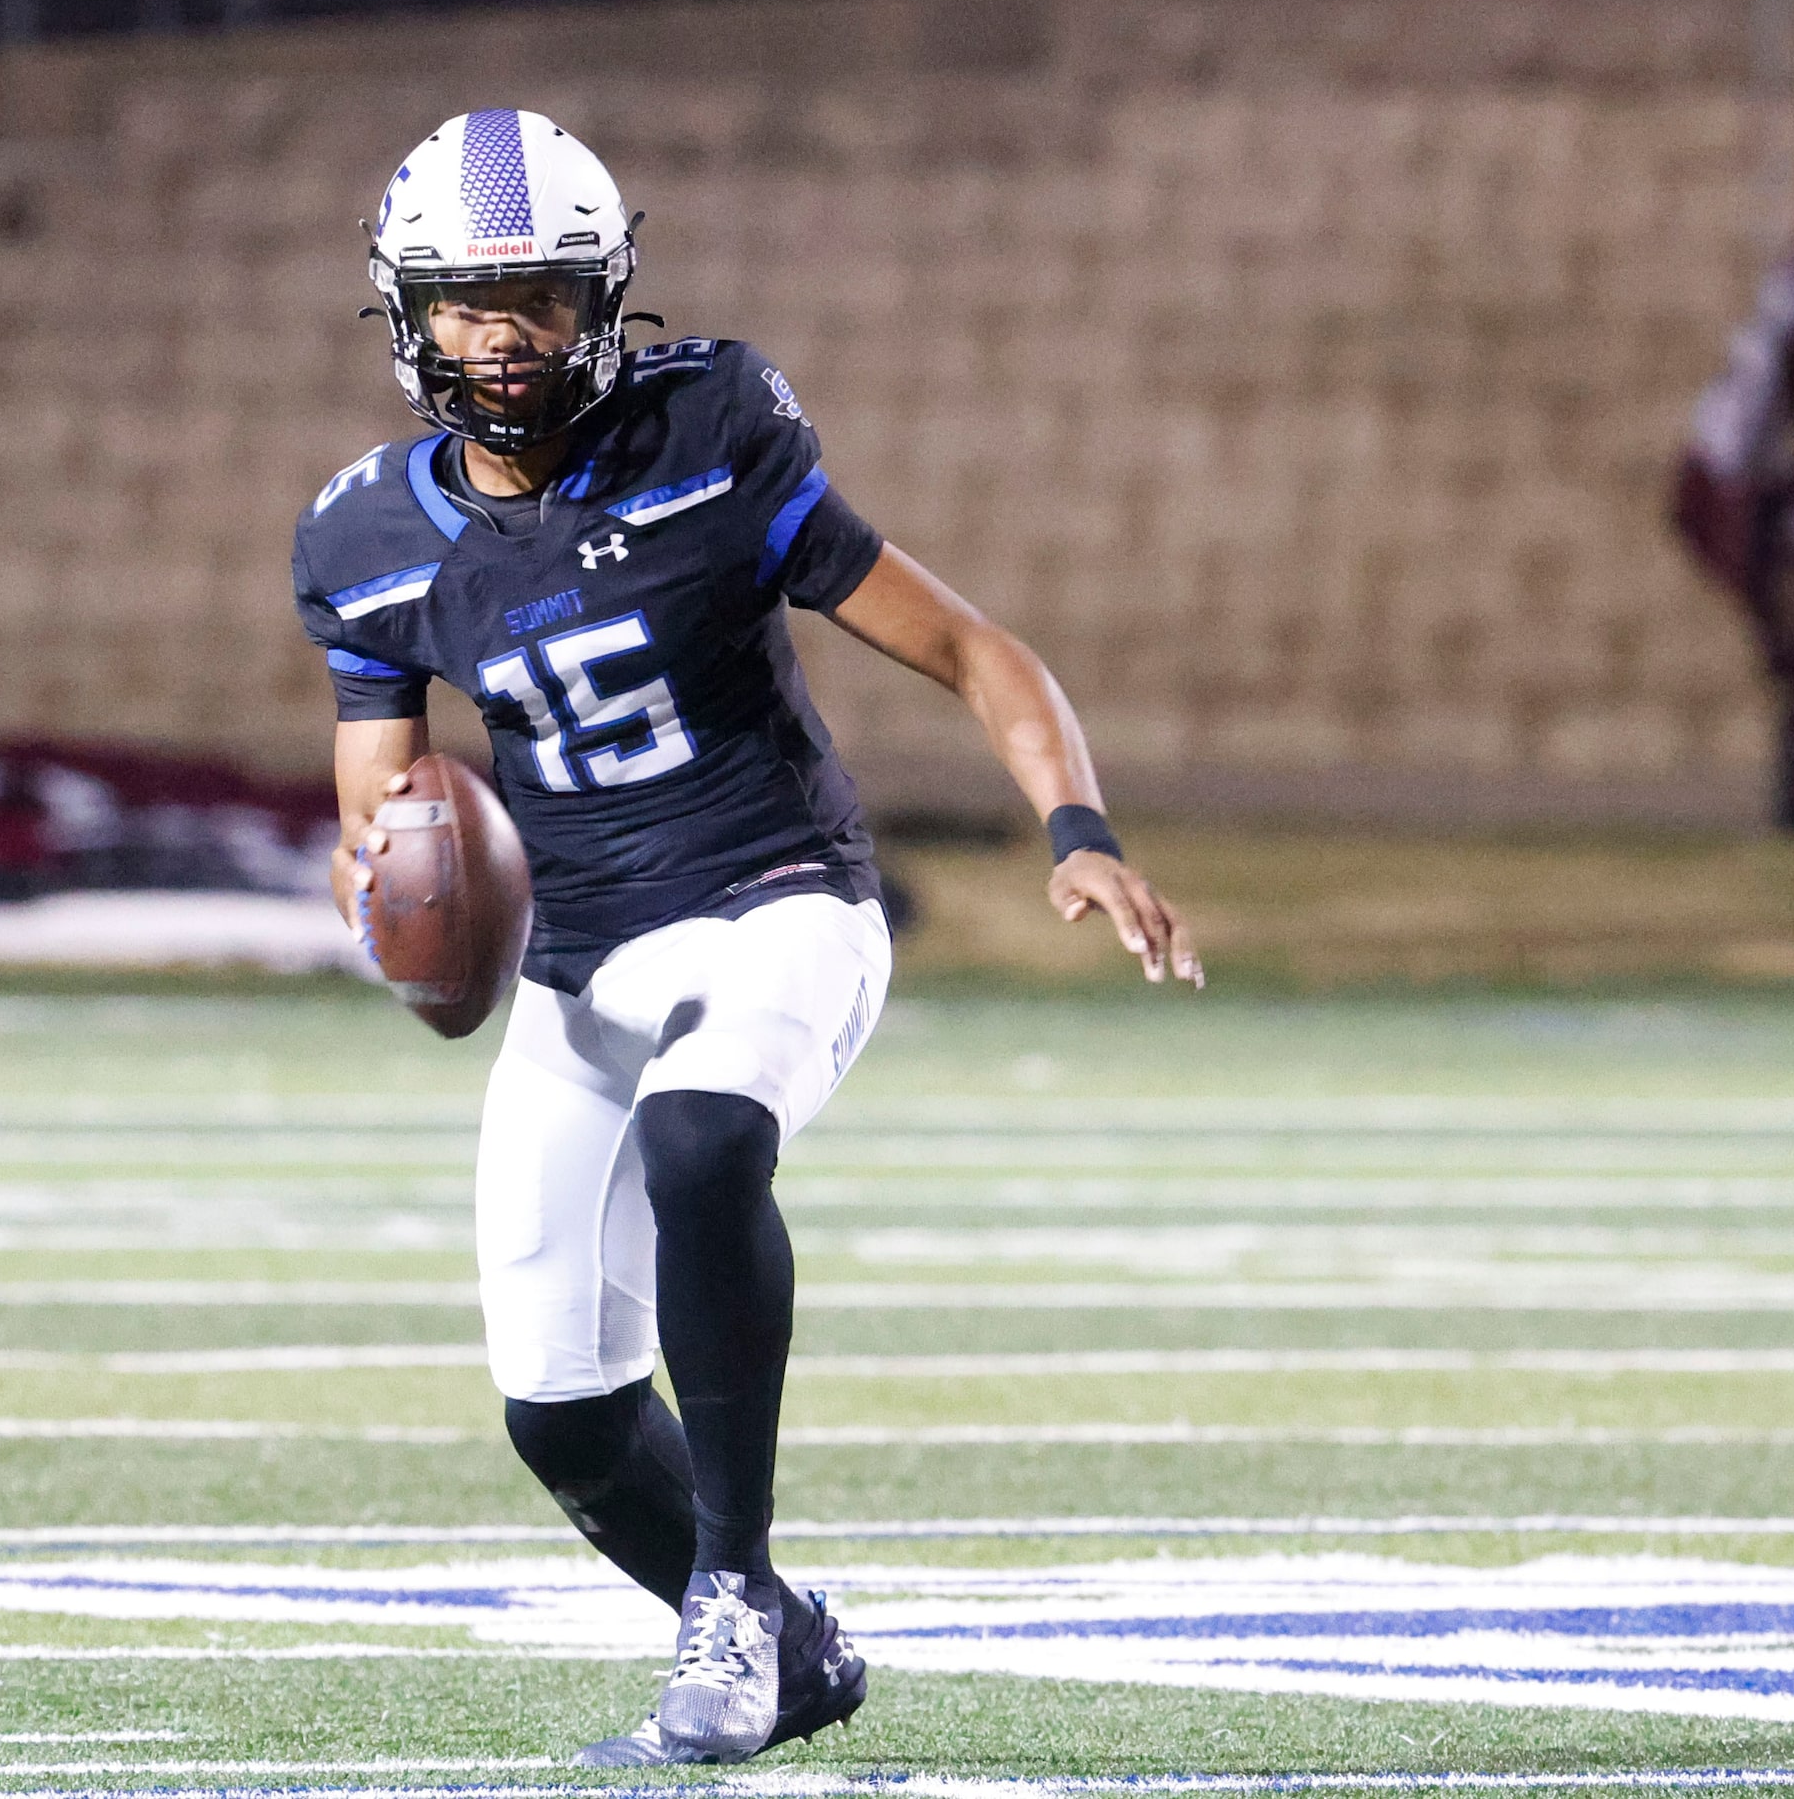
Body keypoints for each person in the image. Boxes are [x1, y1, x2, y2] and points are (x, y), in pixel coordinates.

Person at [291, 109, 1199, 1766]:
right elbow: (387, 812)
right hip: (580, 964)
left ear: (604, 298)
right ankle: (796, 1650)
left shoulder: (709, 430)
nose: (509, 336)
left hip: (781, 900)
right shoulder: (363, 539)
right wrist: (399, 904)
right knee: (561, 1413)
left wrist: (1079, 829)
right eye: (472, 302)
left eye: (545, 297)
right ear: (405, 313)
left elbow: (977, 648)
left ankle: (726, 1593)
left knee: (704, 1139)